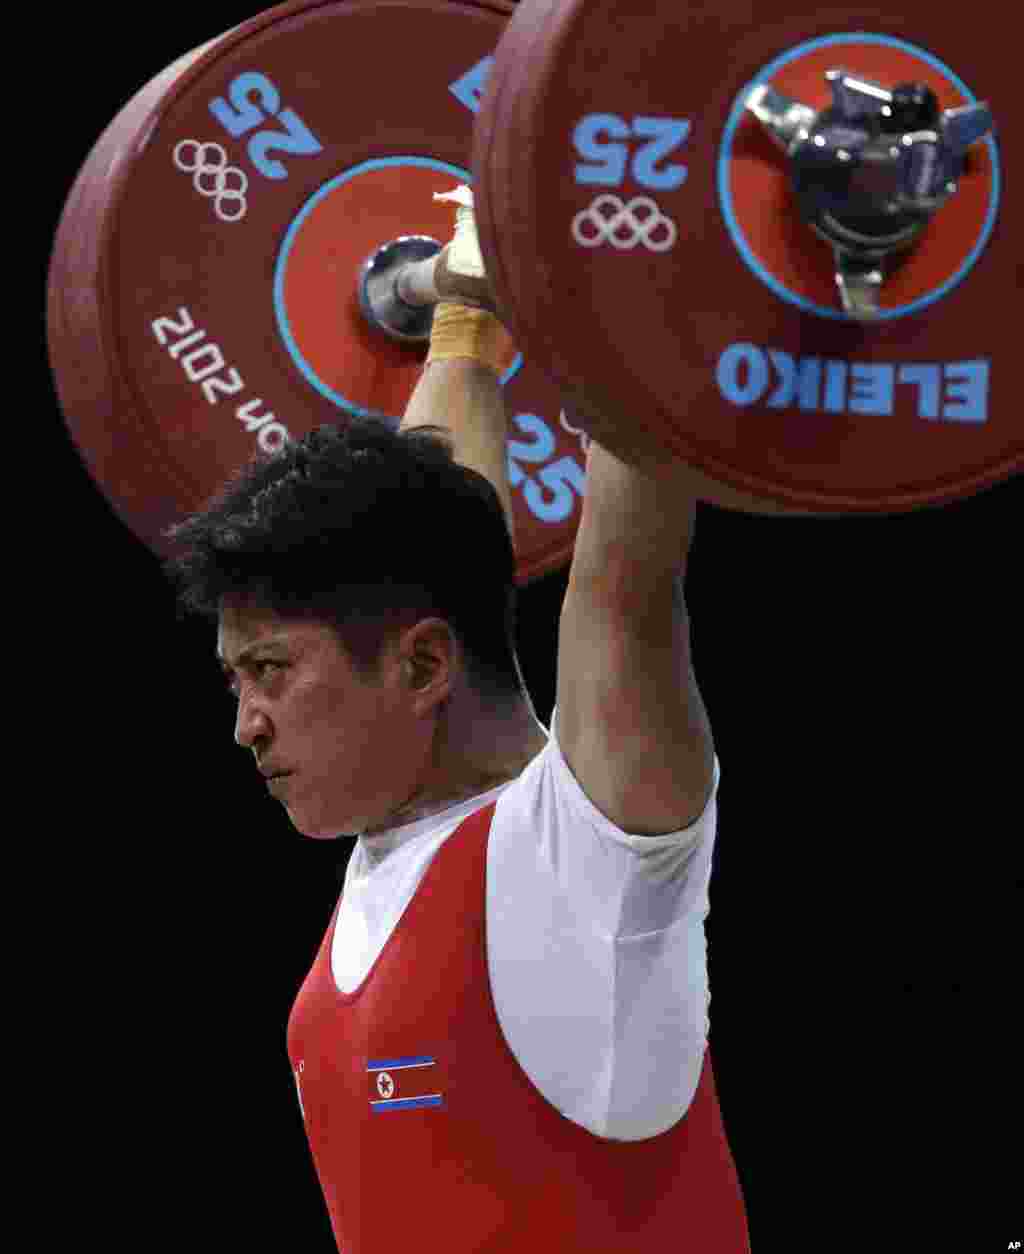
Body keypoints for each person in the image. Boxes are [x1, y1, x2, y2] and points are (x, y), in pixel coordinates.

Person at [165, 191, 751, 1252]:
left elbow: (623, 594)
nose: (245, 725)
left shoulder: (588, 867)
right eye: (234, 682)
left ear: (424, 664)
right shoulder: (402, 830)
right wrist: (466, 318)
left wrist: (616, 300)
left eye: (267, 672)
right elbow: (447, 512)